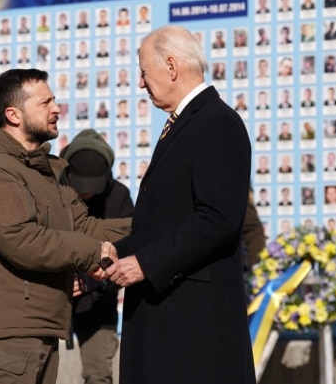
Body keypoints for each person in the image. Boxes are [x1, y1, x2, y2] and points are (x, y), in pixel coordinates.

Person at [0, 69, 130, 384]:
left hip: (41, 328)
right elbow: (19, 238)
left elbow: (84, 226)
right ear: (13, 115)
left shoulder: (43, 170)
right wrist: (92, 253)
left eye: (55, 100)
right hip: (11, 337)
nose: (57, 108)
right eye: (45, 102)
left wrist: (150, 226)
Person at [103, 25, 255, 384]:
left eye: (143, 70)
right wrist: (115, 254)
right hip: (168, 320)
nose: (141, 83)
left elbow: (217, 218)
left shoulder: (217, 123)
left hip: (191, 330)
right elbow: (169, 222)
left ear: (170, 66)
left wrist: (145, 264)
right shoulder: (185, 123)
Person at [60, 129, 134, 384]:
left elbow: (129, 251)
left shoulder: (119, 197)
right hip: (50, 300)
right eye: (81, 187)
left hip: (98, 303)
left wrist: (97, 279)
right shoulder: (50, 191)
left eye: (92, 189)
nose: (86, 195)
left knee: (98, 375)